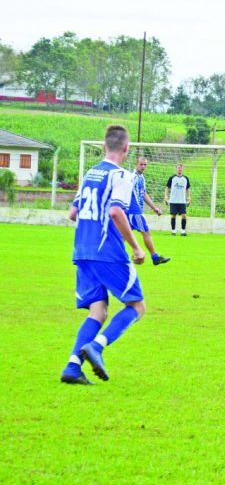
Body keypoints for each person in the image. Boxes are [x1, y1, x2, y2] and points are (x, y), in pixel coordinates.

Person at [61, 124, 146, 385]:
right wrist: (135, 246)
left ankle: (73, 368)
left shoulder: (89, 173)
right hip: (106, 251)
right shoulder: (121, 175)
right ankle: (97, 347)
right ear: (126, 148)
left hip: (82, 250)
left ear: (103, 146)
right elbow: (115, 212)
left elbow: (72, 214)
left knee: (97, 311)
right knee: (137, 306)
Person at [128, 156, 170, 266]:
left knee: (122, 236)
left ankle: (111, 257)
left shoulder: (141, 178)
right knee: (146, 233)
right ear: (136, 164)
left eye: (145, 165)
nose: (143, 167)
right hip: (134, 211)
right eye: (141, 164)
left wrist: (154, 208)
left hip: (133, 212)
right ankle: (155, 257)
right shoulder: (133, 177)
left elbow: (144, 194)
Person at [164, 164, 191, 236]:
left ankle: (183, 231)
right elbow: (167, 188)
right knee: (173, 216)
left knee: (184, 215)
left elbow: (187, 189)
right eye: (178, 168)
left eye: (181, 168)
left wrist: (188, 198)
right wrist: (166, 197)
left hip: (182, 201)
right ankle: (173, 231)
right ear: (176, 169)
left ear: (183, 169)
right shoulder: (172, 178)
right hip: (173, 201)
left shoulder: (186, 179)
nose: (180, 169)